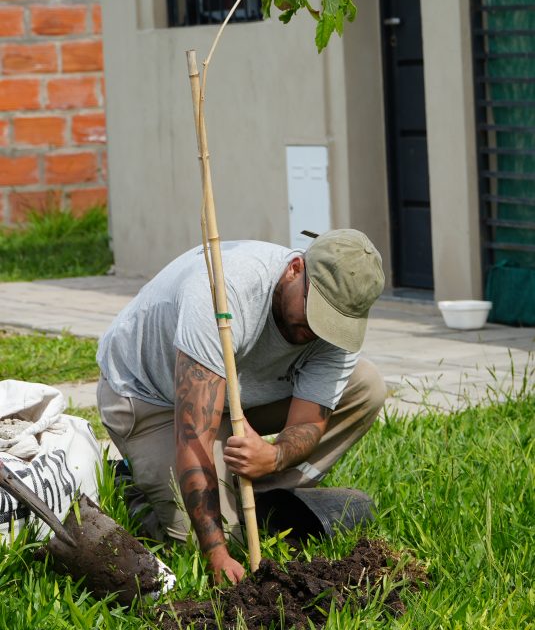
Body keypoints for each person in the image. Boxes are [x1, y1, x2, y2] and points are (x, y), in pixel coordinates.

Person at [96, 228, 386, 583]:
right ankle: (133, 485)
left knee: (364, 386)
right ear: (295, 268)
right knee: (200, 540)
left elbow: (309, 422)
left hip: (241, 396)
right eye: (316, 311)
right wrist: (216, 552)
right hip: (152, 399)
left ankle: (257, 492)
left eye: (333, 321)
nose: (317, 329)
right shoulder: (223, 294)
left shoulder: (340, 323)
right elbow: (194, 435)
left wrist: (274, 456)